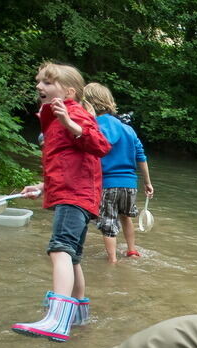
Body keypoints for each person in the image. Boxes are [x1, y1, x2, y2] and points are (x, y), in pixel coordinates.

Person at [12, 62, 111, 342]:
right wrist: (44, 186)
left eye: (47, 82)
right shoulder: (55, 119)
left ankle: (57, 320)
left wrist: (69, 122)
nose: (39, 87)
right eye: (39, 82)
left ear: (68, 91)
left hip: (75, 196)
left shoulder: (74, 113)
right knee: (73, 257)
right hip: (74, 193)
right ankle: (77, 314)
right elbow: (68, 162)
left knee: (60, 250)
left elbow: (101, 146)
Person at [82, 82, 154, 263]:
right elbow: (141, 157)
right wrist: (147, 182)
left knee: (107, 222)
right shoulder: (128, 129)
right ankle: (131, 250)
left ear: (88, 103)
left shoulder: (92, 127)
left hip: (107, 183)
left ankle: (112, 260)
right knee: (126, 217)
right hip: (129, 184)